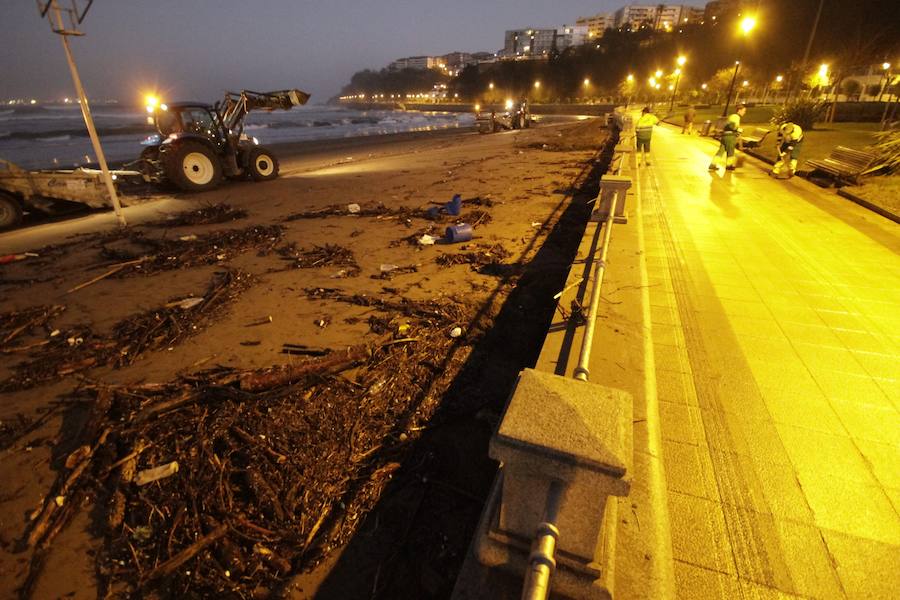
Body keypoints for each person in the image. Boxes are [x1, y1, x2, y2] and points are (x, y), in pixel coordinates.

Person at [709, 104, 746, 172]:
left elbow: (727, 126)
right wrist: (739, 130)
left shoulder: (732, 116)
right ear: (739, 110)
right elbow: (733, 127)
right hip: (730, 137)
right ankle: (729, 166)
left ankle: (713, 164)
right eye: (744, 111)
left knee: (720, 152)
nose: (744, 112)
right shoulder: (736, 117)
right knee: (730, 152)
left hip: (724, 136)